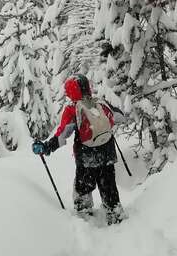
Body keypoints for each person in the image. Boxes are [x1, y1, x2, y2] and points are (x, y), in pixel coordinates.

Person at [32, 74, 125, 225]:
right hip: (108, 153)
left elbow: (61, 136)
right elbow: (120, 117)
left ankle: (85, 218)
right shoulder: (101, 103)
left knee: (83, 188)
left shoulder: (72, 109)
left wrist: (46, 148)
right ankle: (115, 213)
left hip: (86, 158)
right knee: (109, 186)